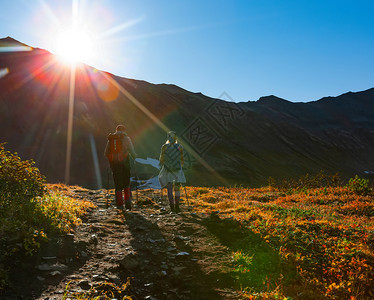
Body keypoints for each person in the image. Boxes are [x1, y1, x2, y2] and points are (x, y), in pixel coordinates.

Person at [104, 125, 136, 209]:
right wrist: (134, 156)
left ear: (116, 130)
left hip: (114, 165)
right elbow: (132, 152)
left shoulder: (111, 139)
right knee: (126, 183)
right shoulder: (126, 138)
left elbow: (106, 153)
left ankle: (119, 205)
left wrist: (112, 158)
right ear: (124, 130)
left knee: (117, 184)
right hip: (125, 164)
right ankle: (128, 203)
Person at [158, 131, 186, 212]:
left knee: (169, 188)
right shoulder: (179, 146)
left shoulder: (164, 147)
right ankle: (177, 206)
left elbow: (161, 159)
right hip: (177, 170)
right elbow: (182, 159)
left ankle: (172, 207)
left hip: (168, 170)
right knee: (177, 188)